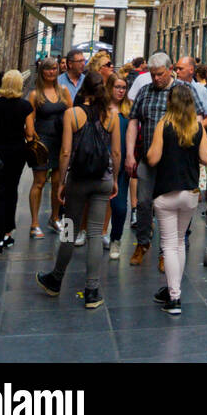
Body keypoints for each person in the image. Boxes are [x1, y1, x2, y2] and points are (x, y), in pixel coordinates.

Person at [36, 70, 120, 309]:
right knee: (95, 233)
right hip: (102, 180)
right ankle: (92, 291)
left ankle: (56, 279)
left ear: (83, 90)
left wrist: (61, 182)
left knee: (70, 231)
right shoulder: (112, 116)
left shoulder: (72, 114)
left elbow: (65, 152)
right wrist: (114, 179)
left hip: (79, 181)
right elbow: (116, 152)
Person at [125, 53, 207, 266]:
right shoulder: (145, 91)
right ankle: (143, 242)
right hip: (148, 157)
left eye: (160, 74)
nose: (156, 79)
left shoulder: (183, 91)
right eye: (153, 75)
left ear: (170, 69)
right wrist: (129, 154)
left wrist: (195, 147)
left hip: (175, 161)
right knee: (143, 203)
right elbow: (134, 123)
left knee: (171, 208)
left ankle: (167, 250)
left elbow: (198, 119)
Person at [145, 81, 207, 314]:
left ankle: (174, 298)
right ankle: (174, 288)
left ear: (169, 102)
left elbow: (153, 158)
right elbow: (206, 158)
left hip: (166, 192)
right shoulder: (198, 126)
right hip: (190, 193)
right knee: (179, 242)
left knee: (169, 245)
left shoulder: (164, 124)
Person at [0, 69, 34, 253]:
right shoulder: (25, 106)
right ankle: (7, 233)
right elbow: (29, 133)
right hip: (16, 152)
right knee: (12, 190)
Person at [27, 57, 70, 238]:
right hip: (42, 140)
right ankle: (34, 222)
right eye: (48, 69)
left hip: (60, 140)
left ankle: (54, 217)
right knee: (39, 181)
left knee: (58, 182)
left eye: (54, 69)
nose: (52, 72)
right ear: (42, 71)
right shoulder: (35, 94)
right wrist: (31, 138)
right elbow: (30, 118)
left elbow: (71, 113)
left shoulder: (64, 91)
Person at [105, 73, 132, 260]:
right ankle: (86, 234)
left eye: (123, 87)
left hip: (121, 164)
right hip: (100, 163)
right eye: (117, 87)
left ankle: (116, 238)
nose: (121, 91)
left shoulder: (129, 110)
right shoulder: (102, 109)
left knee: (120, 206)